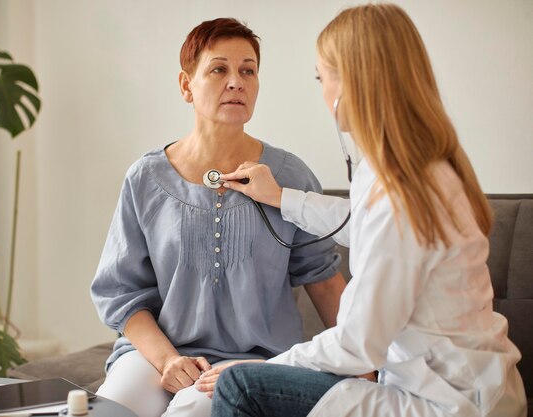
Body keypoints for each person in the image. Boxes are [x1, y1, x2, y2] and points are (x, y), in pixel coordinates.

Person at [199, 4, 527, 417]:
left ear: (355, 83)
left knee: (239, 386)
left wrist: (265, 366)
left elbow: (358, 343)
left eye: (322, 77)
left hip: (445, 403)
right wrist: (281, 197)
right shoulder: (411, 167)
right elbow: (362, 223)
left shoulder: (404, 192)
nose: (322, 93)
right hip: (458, 384)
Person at [90, 17, 348, 417]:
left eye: (248, 70)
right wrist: (167, 361)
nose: (236, 82)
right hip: (159, 356)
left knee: (192, 411)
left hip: (256, 361)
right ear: (185, 85)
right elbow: (122, 295)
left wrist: (365, 368)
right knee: (112, 410)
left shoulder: (289, 175)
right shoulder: (146, 177)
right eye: (218, 69)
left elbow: (325, 281)